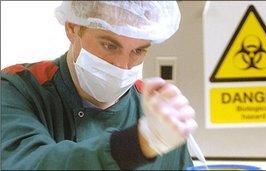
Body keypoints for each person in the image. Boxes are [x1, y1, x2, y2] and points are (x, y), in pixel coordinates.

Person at [1, 1, 197, 170]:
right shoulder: (17, 89)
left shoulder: (155, 114)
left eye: (138, 51)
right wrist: (138, 143)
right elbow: (26, 163)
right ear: (72, 27)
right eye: (110, 45)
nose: (122, 66)